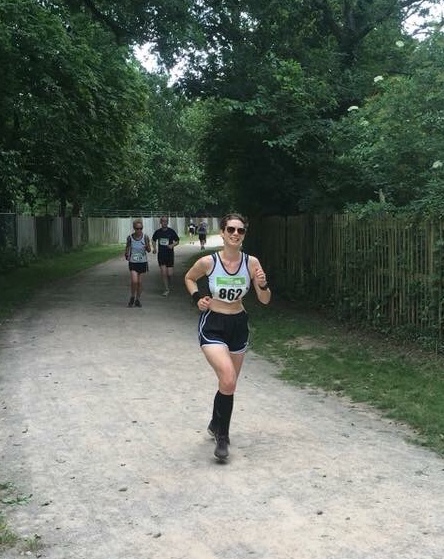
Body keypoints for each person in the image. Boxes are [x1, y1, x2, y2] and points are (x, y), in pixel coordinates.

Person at [184, 213, 271, 461]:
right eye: (231, 229)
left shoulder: (251, 263)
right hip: (213, 323)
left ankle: (215, 423)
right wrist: (197, 298)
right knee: (229, 378)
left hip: (238, 324)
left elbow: (265, 300)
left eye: (240, 230)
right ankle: (223, 437)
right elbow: (189, 278)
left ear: (244, 235)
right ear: (222, 232)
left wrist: (263, 284)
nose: (235, 234)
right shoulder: (208, 262)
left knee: (228, 383)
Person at [124, 219, 151, 308]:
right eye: (137, 228)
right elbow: (127, 248)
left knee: (139, 282)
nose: (139, 230)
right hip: (133, 262)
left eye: (140, 228)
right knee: (134, 281)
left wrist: (146, 247)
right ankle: (132, 296)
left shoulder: (145, 237)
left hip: (142, 262)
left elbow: (149, 250)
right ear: (134, 228)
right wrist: (127, 254)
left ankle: (137, 299)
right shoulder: (130, 238)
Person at [152, 216, 180, 297]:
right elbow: (153, 240)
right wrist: (154, 248)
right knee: (164, 273)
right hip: (161, 255)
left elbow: (177, 241)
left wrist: (172, 245)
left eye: (166, 221)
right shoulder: (158, 232)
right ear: (160, 222)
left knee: (170, 274)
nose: (164, 223)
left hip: (169, 255)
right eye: (163, 221)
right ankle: (166, 289)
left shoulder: (171, 231)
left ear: (167, 222)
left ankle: (168, 284)